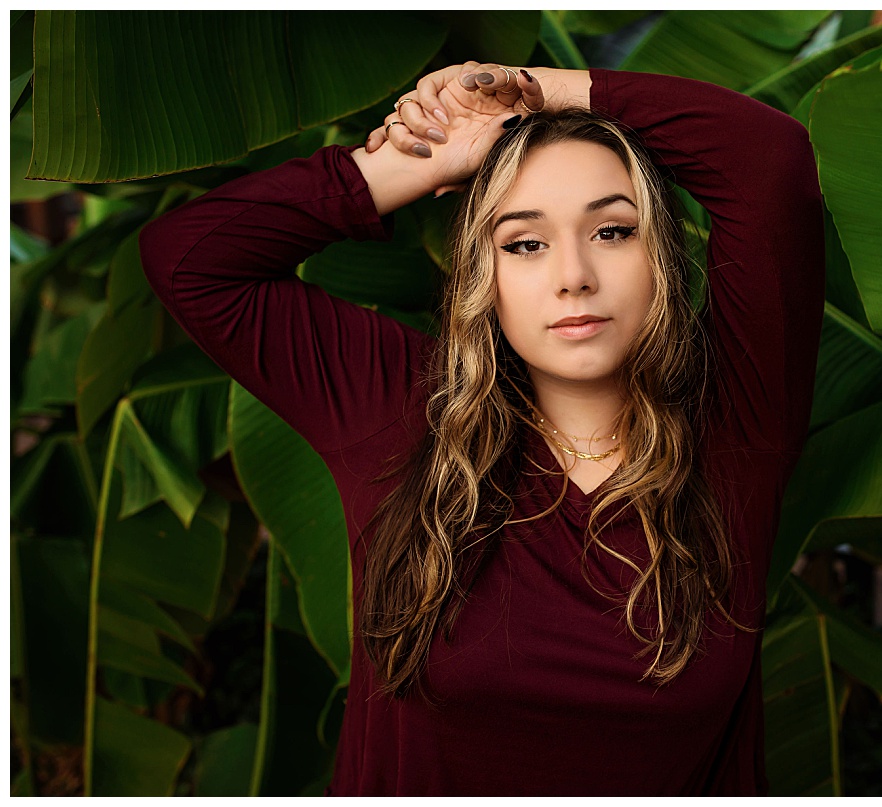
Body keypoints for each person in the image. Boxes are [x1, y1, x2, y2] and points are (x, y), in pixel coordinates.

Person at [140, 60, 825, 796]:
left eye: (614, 230)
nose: (573, 275)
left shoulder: (735, 430)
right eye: (524, 242)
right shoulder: (400, 413)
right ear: (481, 275)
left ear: (661, 259)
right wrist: (419, 158)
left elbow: (770, 158)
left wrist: (533, 89)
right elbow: (188, 260)